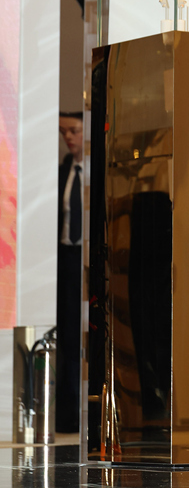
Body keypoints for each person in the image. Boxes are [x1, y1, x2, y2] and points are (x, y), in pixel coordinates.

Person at [56, 111, 84, 433]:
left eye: (74, 130)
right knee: (65, 333)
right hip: (65, 258)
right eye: (64, 132)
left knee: (80, 334)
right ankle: (66, 412)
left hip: (84, 258)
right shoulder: (64, 169)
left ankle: (81, 409)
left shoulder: (91, 171)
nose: (68, 137)